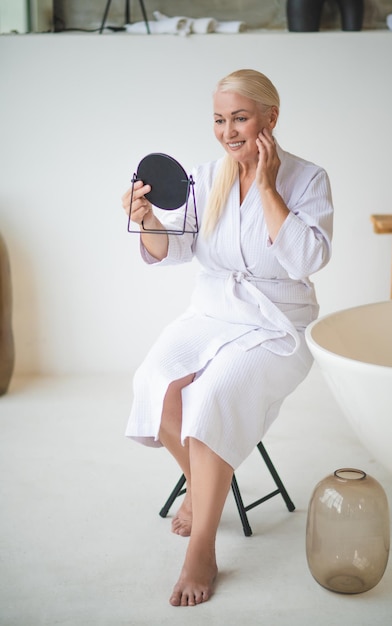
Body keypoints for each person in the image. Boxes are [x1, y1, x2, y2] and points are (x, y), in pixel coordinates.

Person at [121, 68, 333, 607]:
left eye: (240, 117)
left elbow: (310, 259)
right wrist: (146, 219)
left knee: (213, 395)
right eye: (219, 119)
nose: (229, 131)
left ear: (270, 118)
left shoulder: (308, 179)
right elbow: (176, 252)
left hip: (277, 324)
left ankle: (203, 550)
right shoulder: (206, 175)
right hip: (213, 311)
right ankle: (201, 486)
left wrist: (264, 186)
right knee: (156, 382)